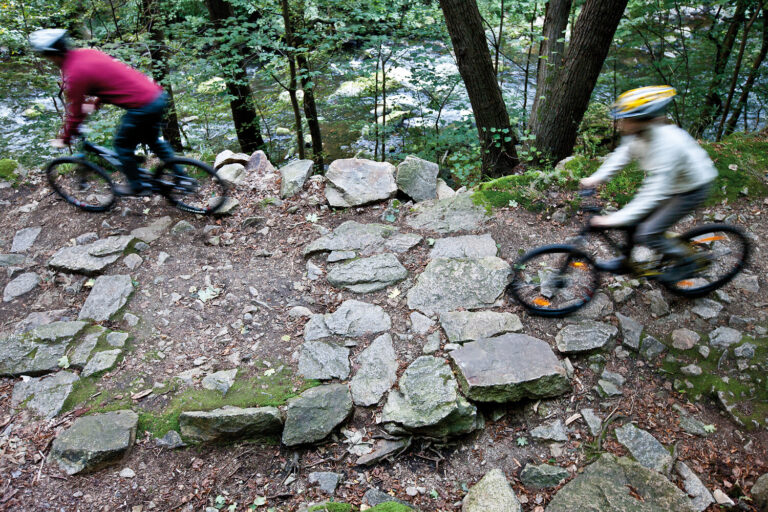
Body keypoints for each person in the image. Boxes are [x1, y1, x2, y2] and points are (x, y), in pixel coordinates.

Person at [579, 85, 718, 283]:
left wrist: (611, 219)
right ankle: (625, 262)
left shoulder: (667, 145)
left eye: (626, 119)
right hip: (673, 185)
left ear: (641, 120)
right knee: (632, 222)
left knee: (648, 233)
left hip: (692, 189)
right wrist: (596, 178)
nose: (621, 123)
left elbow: (653, 194)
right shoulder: (639, 134)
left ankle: (689, 262)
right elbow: (622, 155)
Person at [29, 28, 182, 196]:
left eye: (47, 55)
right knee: (153, 141)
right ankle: (182, 177)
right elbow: (111, 78)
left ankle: (137, 186)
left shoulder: (74, 73)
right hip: (156, 95)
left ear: (53, 54)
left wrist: (65, 138)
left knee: (121, 145)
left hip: (142, 106)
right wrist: (96, 102)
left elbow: (75, 114)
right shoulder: (87, 53)